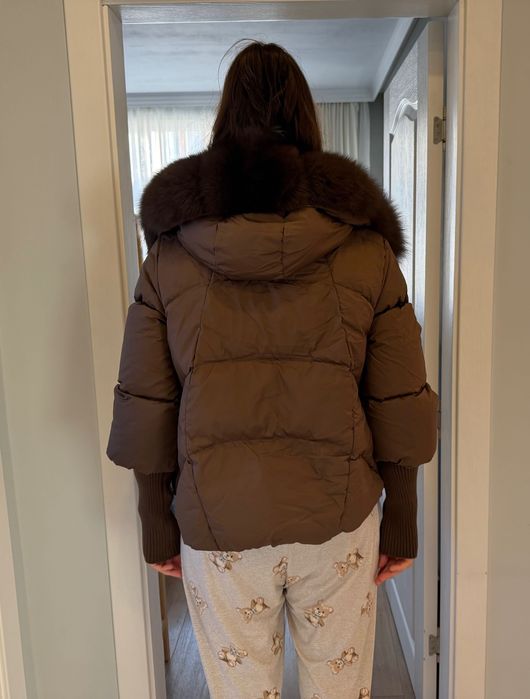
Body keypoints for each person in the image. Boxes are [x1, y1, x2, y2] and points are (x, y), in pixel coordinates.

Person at [106, 40, 439, 699]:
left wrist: (156, 517)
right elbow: (398, 395)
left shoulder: (170, 256)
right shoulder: (367, 250)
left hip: (219, 525)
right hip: (337, 522)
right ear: (307, 119)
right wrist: (401, 512)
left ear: (223, 121)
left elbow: (149, 399)